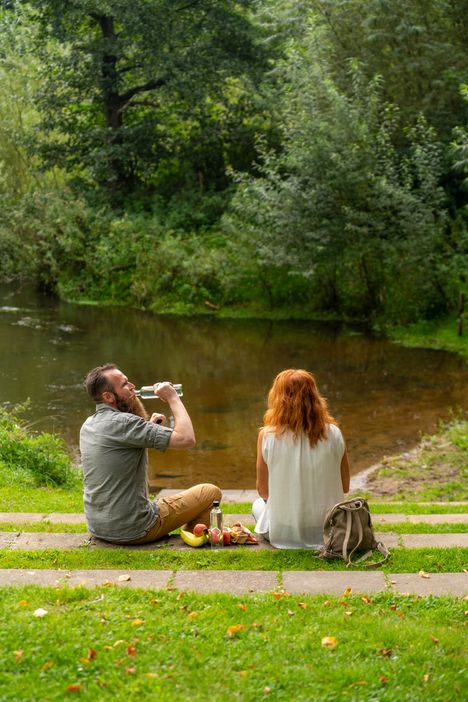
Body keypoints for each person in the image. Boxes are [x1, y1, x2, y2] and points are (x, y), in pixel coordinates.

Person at [79, 363, 221, 544]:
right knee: (210, 493)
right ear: (108, 396)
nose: (132, 387)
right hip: (135, 528)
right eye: (124, 385)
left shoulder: (89, 425)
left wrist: (150, 427)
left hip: (98, 526)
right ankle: (192, 537)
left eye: (128, 382)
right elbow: (187, 439)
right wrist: (173, 398)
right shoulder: (125, 423)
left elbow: (124, 444)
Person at [252, 368, 350, 549]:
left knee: (258, 505)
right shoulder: (335, 433)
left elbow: (263, 492)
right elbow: (345, 486)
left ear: (277, 398)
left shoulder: (267, 436)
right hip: (329, 529)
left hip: (283, 530)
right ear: (314, 397)